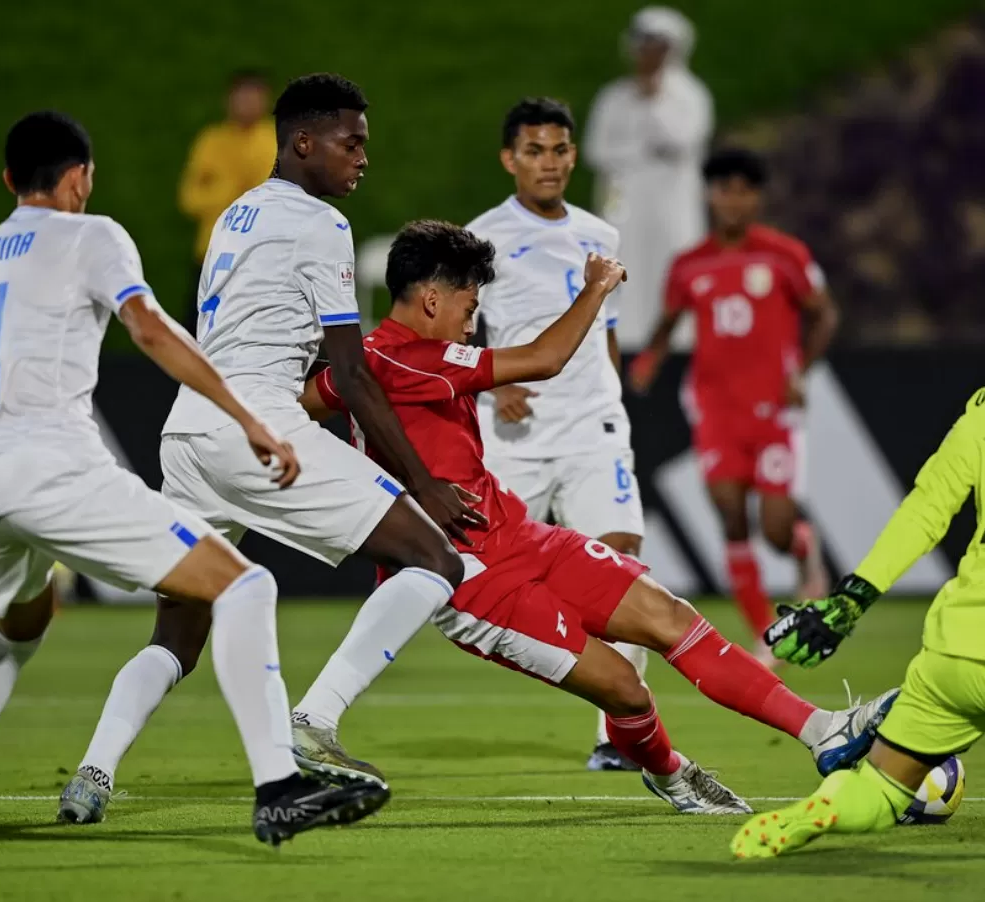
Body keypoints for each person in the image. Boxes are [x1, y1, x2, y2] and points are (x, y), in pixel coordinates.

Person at [0, 112, 388, 851]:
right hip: (59, 474)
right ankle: (279, 789)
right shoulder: (93, 235)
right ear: (80, 176)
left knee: (12, 632)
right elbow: (152, 329)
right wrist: (249, 418)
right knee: (246, 586)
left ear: (7, 181)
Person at [301, 220, 897, 812]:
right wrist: (597, 287)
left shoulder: (368, 366)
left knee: (670, 617)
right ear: (431, 297)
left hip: (521, 533)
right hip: (472, 579)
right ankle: (673, 774)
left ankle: (823, 730)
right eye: (468, 303)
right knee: (624, 690)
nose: (472, 318)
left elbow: (303, 401)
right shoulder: (406, 358)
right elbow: (544, 357)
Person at [57, 74, 482, 823]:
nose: (362, 157)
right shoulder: (322, 224)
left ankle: (92, 772)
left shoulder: (235, 214)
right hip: (255, 426)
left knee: (178, 632)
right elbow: (349, 373)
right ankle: (313, 726)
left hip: (188, 432)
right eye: (351, 142)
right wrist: (422, 482)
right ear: (303, 142)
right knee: (436, 557)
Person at [731, 246, 985, 858]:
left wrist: (850, 600)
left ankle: (816, 811)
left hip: (953, 657)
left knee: (880, 791)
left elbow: (925, 510)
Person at [466, 97, 649, 772]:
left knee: (622, 556)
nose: (549, 163)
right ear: (509, 159)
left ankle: (620, 732)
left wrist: (611, 397)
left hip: (593, 426)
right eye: (535, 151)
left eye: (560, 150)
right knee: (481, 586)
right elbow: (457, 333)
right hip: (516, 434)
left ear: (574, 156)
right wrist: (494, 384)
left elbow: (609, 332)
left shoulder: (602, 233)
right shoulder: (480, 237)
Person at [629, 148, 839, 667]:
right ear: (709, 194)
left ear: (757, 197)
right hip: (715, 408)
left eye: (744, 189)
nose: (733, 199)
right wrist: (651, 356)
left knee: (773, 528)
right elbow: (670, 315)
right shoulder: (689, 263)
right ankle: (766, 632)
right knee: (728, 515)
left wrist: (799, 371)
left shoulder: (784, 254)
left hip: (773, 411)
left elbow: (825, 315)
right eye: (723, 188)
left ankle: (802, 543)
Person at [583, 6, 712, 349]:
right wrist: (640, 152)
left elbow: (681, 140)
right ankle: (621, 342)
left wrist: (654, 99)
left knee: (673, 269)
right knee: (623, 269)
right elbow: (596, 150)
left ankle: (679, 346)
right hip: (622, 204)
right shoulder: (614, 97)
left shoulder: (689, 95)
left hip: (672, 205)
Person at [178, 70, 278, 325]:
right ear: (229, 99)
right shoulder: (211, 141)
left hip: (261, 255)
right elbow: (189, 198)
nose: (246, 103)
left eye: (253, 97)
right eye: (241, 96)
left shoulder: (276, 141)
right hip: (212, 253)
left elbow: (276, 197)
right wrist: (229, 189)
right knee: (199, 332)